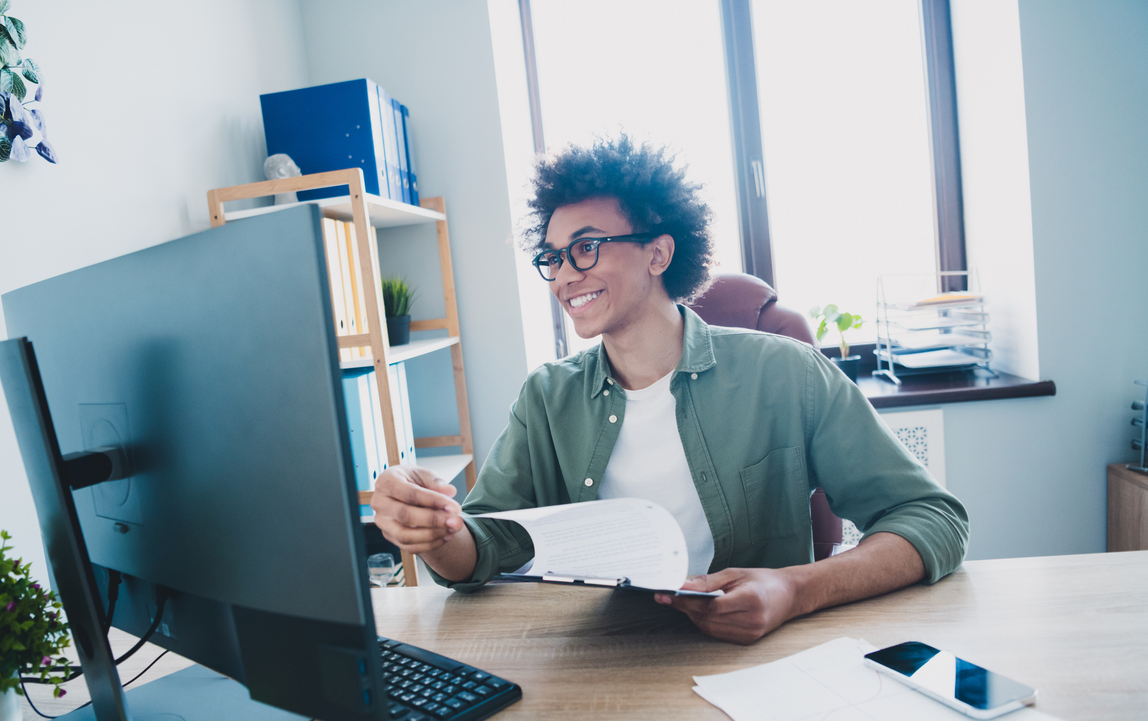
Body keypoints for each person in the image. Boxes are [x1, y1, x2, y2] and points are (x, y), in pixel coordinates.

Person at [370, 135, 968, 644]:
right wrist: (433, 528)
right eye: (552, 257)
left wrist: (795, 589)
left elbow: (934, 518)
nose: (565, 274)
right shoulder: (547, 399)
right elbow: (484, 544)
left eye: (586, 247)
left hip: (762, 660)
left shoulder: (787, 373)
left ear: (658, 252)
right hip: (607, 663)